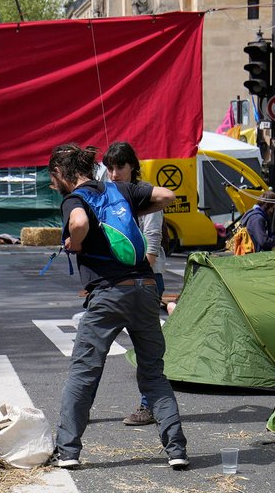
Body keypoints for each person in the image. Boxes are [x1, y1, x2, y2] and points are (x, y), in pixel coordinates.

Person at [46, 143, 186, 471]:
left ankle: (67, 451)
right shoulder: (119, 189)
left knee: (84, 371)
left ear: (60, 174)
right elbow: (167, 196)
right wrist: (125, 209)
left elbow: (78, 223)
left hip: (109, 294)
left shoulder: (74, 199)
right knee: (153, 373)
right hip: (146, 289)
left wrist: (77, 241)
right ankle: (176, 449)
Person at [104, 142, 181, 429]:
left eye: (119, 167)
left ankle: (148, 406)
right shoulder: (107, 193)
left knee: (146, 346)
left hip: (144, 279)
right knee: (95, 344)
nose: (113, 174)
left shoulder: (144, 193)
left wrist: (132, 278)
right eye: (109, 167)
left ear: (132, 167)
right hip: (114, 279)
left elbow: (152, 242)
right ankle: (78, 408)